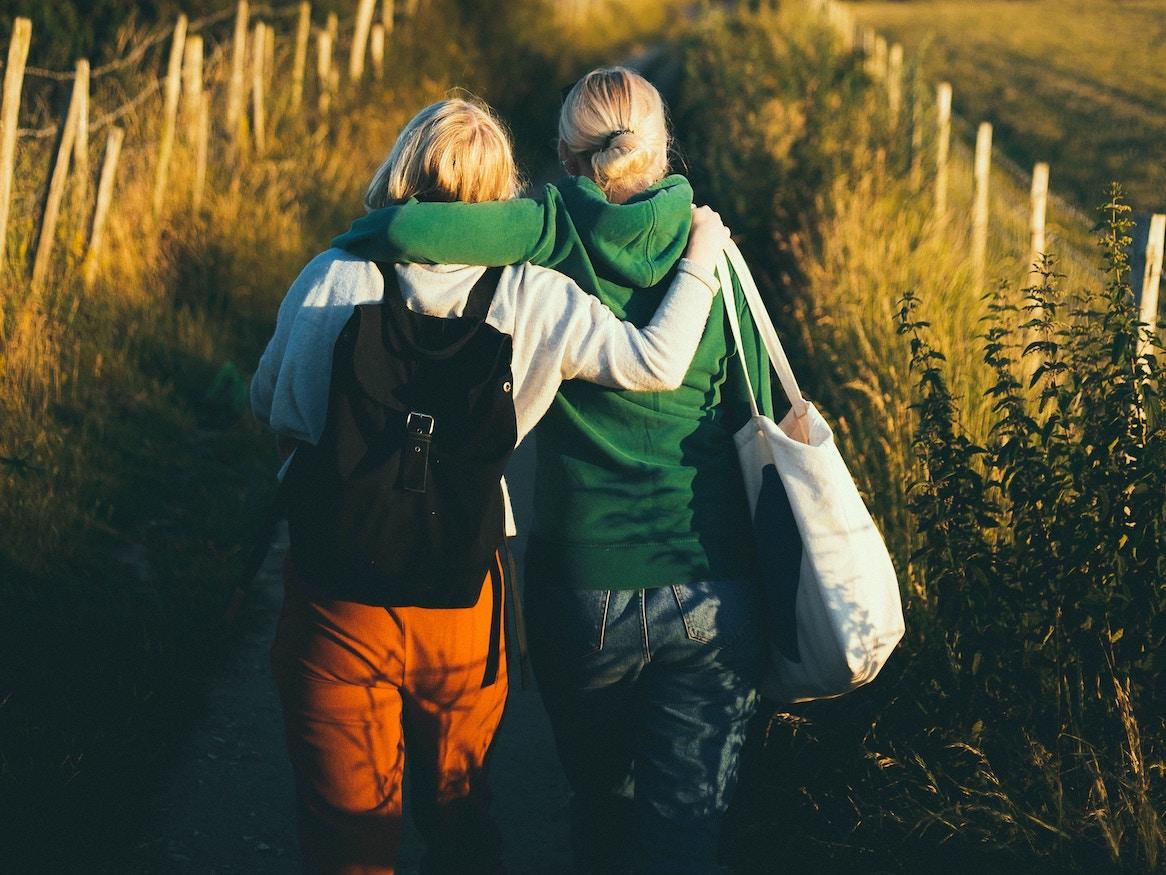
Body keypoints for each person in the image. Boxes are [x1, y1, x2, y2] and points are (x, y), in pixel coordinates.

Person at [250, 96, 732, 875]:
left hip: (335, 593)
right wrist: (703, 255)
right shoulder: (531, 295)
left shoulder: (332, 275)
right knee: (460, 810)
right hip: (463, 591)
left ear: (401, 168)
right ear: (504, 191)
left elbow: (274, 405)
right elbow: (652, 362)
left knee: (344, 830)